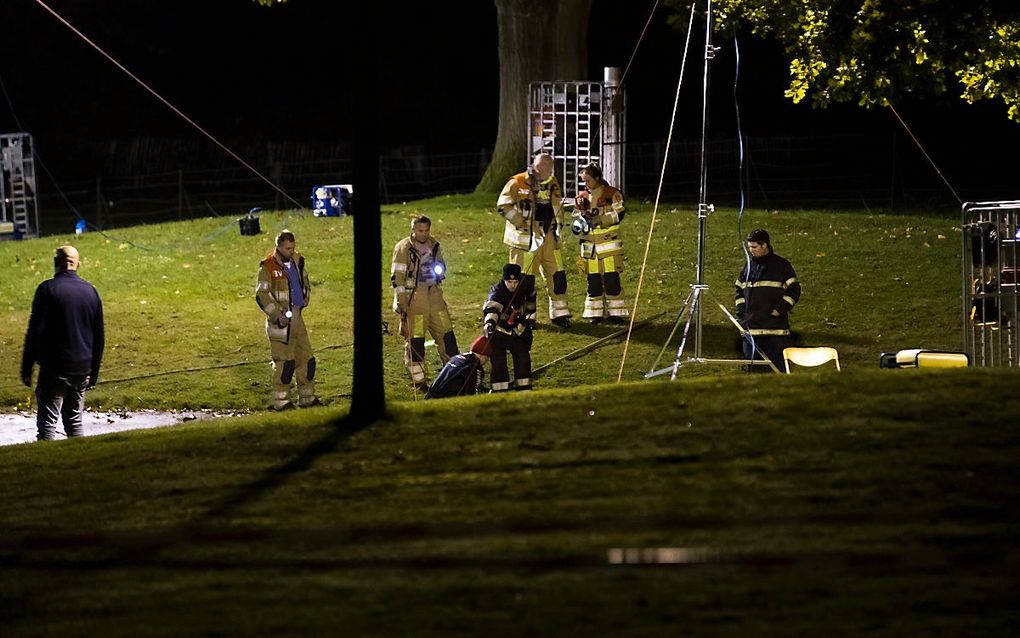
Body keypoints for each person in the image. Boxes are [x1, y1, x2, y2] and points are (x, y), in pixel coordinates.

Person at [20, 245, 105, 441]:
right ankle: (80, 462)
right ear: (78, 264)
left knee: (48, 426)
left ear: (56, 263)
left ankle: (49, 468)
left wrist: (27, 367)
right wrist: (94, 372)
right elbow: (99, 336)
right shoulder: (91, 292)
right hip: (82, 368)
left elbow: (34, 330)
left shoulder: (47, 289)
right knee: (75, 422)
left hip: (55, 369)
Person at [496, 152, 572, 328]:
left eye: (550, 167)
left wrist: (558, 226)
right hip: (525, 241)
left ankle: (560, 314)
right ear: (537, 166)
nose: (548, 171)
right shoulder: (517, 181)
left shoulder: (552, 182)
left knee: (557, 276)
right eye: (545, 167)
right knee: (525, 280)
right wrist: (521, 222)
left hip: (549, 238)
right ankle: (525, 316)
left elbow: (556, 206)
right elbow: (503, 205)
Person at [391, 215, 459, 392]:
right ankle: (419, 382)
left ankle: (454, 375)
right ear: (413, 230)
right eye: (420, 230)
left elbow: (441, 264)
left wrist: (440, 270)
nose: (424, 234)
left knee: (447, 335)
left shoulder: (433, 244)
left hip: (435, 296)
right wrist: (401, 303)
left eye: (426, 230)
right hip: (416, 300)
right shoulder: (403, 248)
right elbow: (397, 278)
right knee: (417, 341)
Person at [256, 229, 318, 409]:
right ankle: (281, 402)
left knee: (306, 359)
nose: (291, 252)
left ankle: (307, 398)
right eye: (287, 248)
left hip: (297, 316)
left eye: (293, 247)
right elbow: (262, 295)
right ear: (278, 247)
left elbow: (304, 281)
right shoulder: (268, 266)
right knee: (284, 363)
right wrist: (276, 314)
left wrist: (305, 298)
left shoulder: (298, 260)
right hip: (280, 323)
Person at [734, 229, 801, 372]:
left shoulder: (781, 266)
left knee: (777, 373)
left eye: (754, 247)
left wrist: (780, 309)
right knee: (753, 376)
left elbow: (794, 289)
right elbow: (739, 289)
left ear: (765, 245)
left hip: (775, 334)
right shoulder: (748, 267)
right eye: (749, 247)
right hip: (752, 333)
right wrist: (742, 312)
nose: (751, 251)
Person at [573, 162, 628, 324]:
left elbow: (619, 213)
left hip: (609, 246)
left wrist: (600, 220)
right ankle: (594, 314)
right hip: (590, 249)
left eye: (588, 180)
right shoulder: (581, 197)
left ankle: (616, 314)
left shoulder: (612, 194)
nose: (586, 184)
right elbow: (576, 219)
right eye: (583, 181)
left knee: (612, 281)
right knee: (594, 282)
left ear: (597, 178)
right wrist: (580, 223)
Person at [483, 263, 535, 392]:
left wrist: (528, 316)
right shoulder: (498, 292)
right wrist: (490, 323)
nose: (512, 285)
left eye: (515, 281)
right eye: (509, 281)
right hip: (500, 330)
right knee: (498, 362)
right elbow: (492, 309)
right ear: (504, 280)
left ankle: (525, 390)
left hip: (519, 329)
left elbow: (531, 304)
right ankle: (500, 391)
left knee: (523, 358)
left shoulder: (526, 286)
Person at [424, 335, 492, 399]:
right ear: (482, 356)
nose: (487, 361)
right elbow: (472, 396)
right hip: (444, 402)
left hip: (430, 396)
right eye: (487, 357)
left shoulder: (456, 358)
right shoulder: (474, 367)